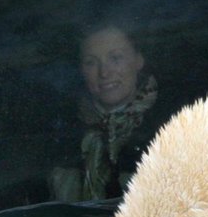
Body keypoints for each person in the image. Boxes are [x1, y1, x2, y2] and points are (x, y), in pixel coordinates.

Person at [49, 20, 161, 201]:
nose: (104, 73)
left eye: (115, 58)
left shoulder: (172, 123)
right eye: (91, 62)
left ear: (138, 60)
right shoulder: (63, 132)